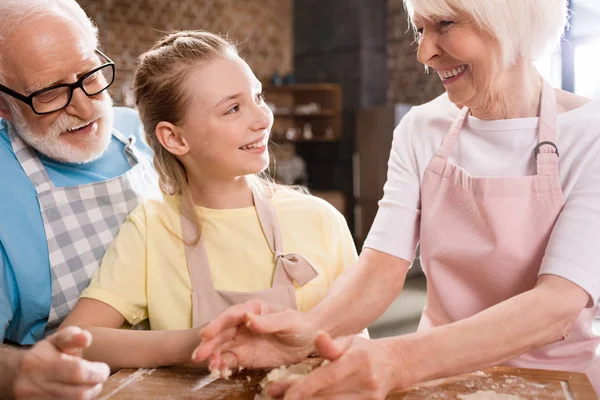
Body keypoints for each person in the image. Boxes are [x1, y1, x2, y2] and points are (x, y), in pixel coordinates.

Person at [193, 0, 600, 398]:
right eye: (421, 30)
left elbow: (556, 306)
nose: (425, 52)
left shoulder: (590, 135)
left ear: (510, 19)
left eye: (444, 24)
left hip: (558, 382)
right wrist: (307, 331)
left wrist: (399, 362)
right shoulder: (420, 129)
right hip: (441, 377)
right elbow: (381, 267)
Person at [59, 30, 360, 370]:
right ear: (174, 138)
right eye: (233, 108)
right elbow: (75, 341)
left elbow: (355, 344)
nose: (263, 119)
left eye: (257, 97)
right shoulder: (152, 228)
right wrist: (196, 342)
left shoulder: (320, 219)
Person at [0, 0, 158, 397]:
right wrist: (18, 371)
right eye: (51, 92)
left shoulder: (143, 131)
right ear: (2, 104)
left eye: (89, 74)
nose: (86, 108)